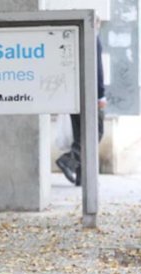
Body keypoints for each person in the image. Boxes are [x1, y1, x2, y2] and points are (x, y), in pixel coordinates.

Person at [56, 17, 107, 186]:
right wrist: (100, 95)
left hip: (73, 94)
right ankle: (70, 159)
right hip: (89, 94)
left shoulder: (73, 42)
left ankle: (82, 178)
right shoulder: (94, 40)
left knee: (80, 134)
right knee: (95, 132)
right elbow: (97, 70)